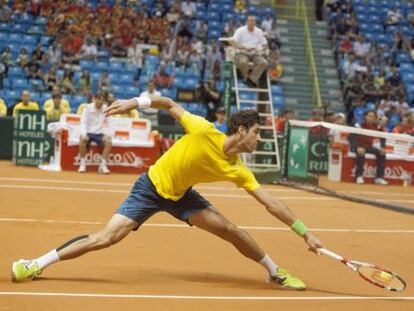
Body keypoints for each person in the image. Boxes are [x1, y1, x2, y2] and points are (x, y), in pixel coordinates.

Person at [11, 95, 324, 290]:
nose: (259, 140)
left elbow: (271, 203)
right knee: (105, 239)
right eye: (257, 133)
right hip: (149, 187)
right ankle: (34, 264)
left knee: (230, 229)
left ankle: (274, 271)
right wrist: (135, 103)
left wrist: (304, 232)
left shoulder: (238, 169)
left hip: (183, 196)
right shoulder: (202, 129)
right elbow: (170, 104)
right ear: (242, 131)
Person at [77, 93, 112, 174]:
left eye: (102, 100)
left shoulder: (106, 108)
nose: (100, 102)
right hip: (88, 132)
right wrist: (84, 133)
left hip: (99, 133)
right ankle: (82, 164)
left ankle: (102, 166)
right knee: (82, 139)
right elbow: (83, 122)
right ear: (94, 99)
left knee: (108, 142)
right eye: (99, 99)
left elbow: (110, 122)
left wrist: (109, 135)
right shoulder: (87, 108)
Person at [352, 110, 388, 185]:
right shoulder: (359, 125)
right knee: (361, 152)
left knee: (382, 153)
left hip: (369, 146)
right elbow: (351, 138)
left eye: (373, 117)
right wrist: (357, 147)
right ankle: (359, 176)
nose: (371, 118)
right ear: (365, 117)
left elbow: (383, 137)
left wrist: (382, 147)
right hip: (358, 145)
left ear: (375, 119)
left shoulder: (377, 127)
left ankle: (379, 178)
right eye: (369, 116)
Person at [232, 15, 268, 87]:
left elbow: (265, 45)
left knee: (264, 62)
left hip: (255, 53)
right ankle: (246, 78)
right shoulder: (240, 30)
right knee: (243, 62)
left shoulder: (259, 31)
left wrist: (259, 49)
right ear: (247, 22)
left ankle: (251, 79)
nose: (252, 22)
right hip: (243, 52)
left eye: (253, 21)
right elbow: (233, 42)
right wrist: (244, 47)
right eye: (250, 20)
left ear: (255, 22)